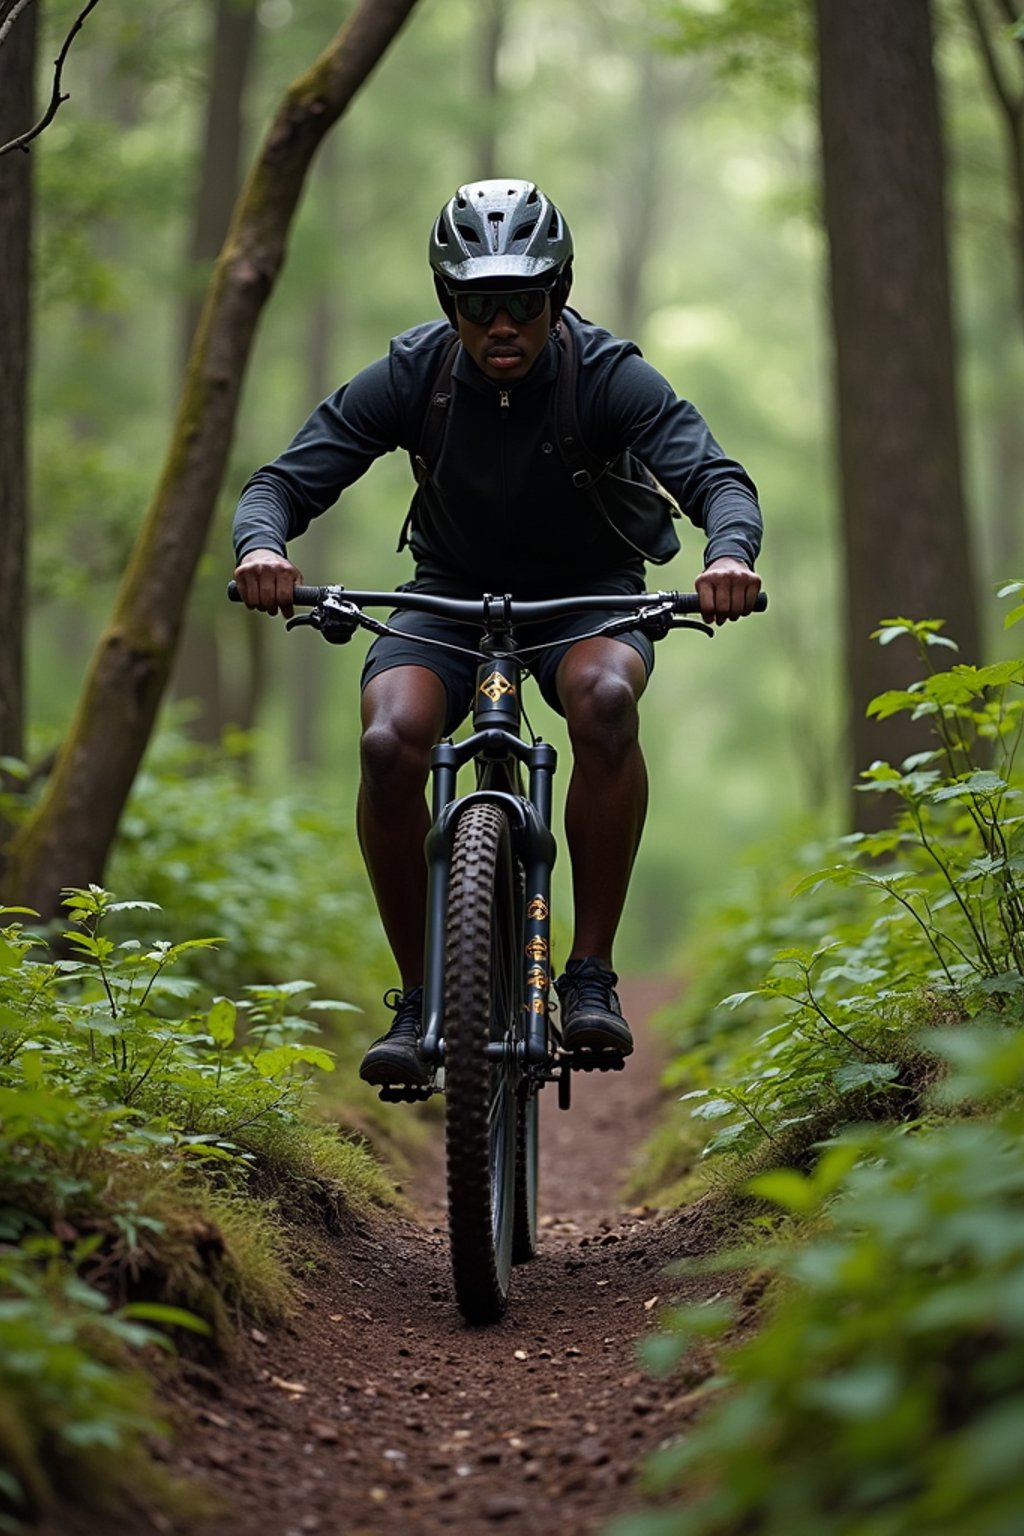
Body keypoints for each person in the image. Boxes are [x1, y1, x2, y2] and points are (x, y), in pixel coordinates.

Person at [232, 178, 762, 1088]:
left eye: (522, 299)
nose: (502, 325)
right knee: (390, 742)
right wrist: (263, 547)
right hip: (446, 597)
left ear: (557, 295)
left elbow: (717, 478)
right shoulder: (414, 373)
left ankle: (589, 975)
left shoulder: (609, 375)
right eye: (480, 305)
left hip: (588, 598)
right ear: (451, 305)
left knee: (601, 704)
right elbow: (280, 482)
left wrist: (729, 557)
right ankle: (418, 995)